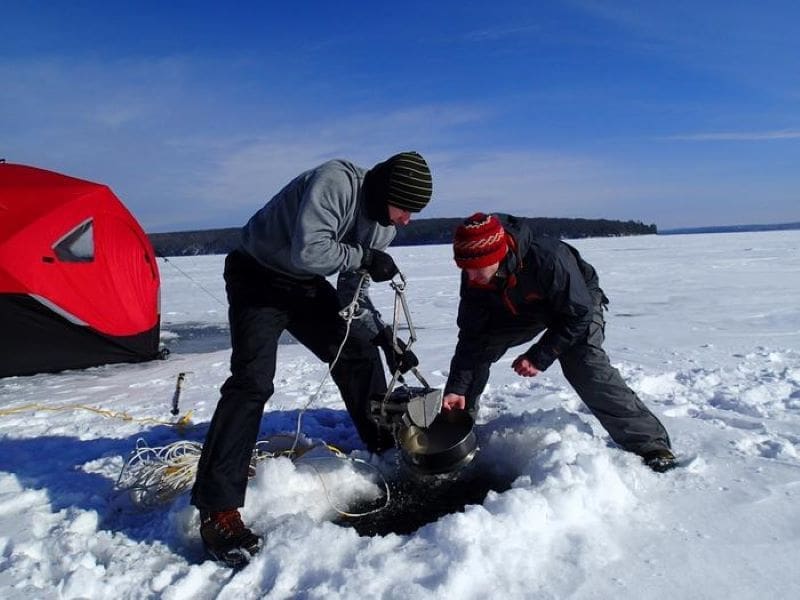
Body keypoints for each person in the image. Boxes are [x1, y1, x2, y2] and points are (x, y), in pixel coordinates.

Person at [191, 151, 432, 566]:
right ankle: (218, 511)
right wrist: (364, 257)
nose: (407, 219)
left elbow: (350, 294)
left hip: (303, 285)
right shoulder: (335, 182)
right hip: (257, 276)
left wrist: (382, 335)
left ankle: (383, 443)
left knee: (356, 350)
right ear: (384, 191)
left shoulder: (383, 226)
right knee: (252, 382)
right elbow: (311, 251)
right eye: (405, 208)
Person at [442, 212, 675, 473]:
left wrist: (541, 354)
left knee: (583, 363)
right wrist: (457, 388)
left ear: (497, 254)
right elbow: (472, 335)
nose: (470, 277)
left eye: (476, 269)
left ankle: (650, 445)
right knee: (477, 353)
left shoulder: (548, 258)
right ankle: (455, 440)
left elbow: (579, 313)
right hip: (521, 308)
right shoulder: (475, 276)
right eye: (465, 269)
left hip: (577, 305)